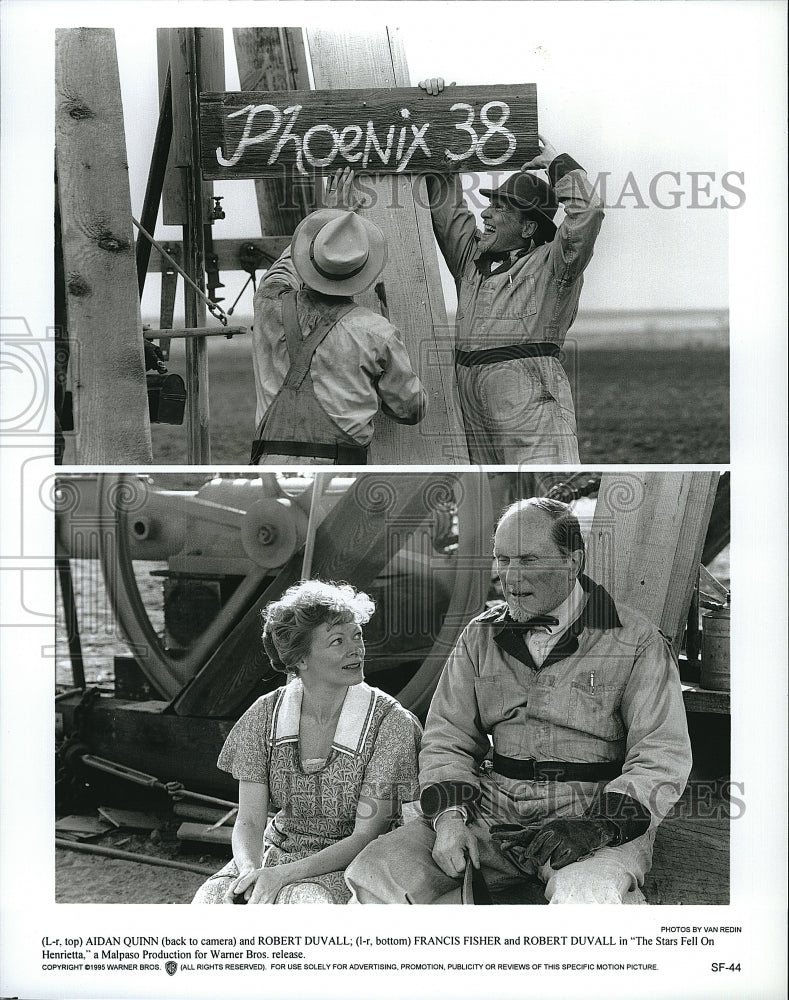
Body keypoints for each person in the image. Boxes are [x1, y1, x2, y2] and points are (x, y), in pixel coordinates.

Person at [345, 498, 692, 904]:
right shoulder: (479, 637)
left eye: (528, 559)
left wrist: (597, 826)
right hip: (490, 813)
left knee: (587, 898)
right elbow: (446, 739)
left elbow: (661, 756)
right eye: (502, 559)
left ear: (573, 562)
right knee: (375, 873)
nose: (510, 577)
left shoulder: (636, 641)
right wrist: (450, 818)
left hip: (588, 817)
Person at [192, 579, 421, 904]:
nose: (355, 648)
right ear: (301, 659)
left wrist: (280, 877)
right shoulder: (264, 715)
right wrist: (249, 873)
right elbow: (250, 820)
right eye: (337, 641)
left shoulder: (389, 722)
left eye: (356, 635)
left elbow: (365, 836)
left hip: (355, 862)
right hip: (277, 852)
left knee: (307, 904)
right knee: (210, 901)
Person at [417, 78, 605, 464]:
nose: (484, 213)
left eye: (500, 208)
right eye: (489, 204)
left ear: (529, 227)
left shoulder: (557, 265)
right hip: (470, 400)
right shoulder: (471, 259)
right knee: (492, 493)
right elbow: (445, 200)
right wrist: (437, 113)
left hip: (531, 401)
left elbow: (587, 212)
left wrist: (558, 165)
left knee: (545, 485)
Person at [250, 169, 427, 465]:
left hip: (270, 462)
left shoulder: (268, 303)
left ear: (310, 257)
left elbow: (283, 269)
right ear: (363, 270)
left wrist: (330, 218)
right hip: (339, 465)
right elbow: (411, 409)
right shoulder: (376, 332)